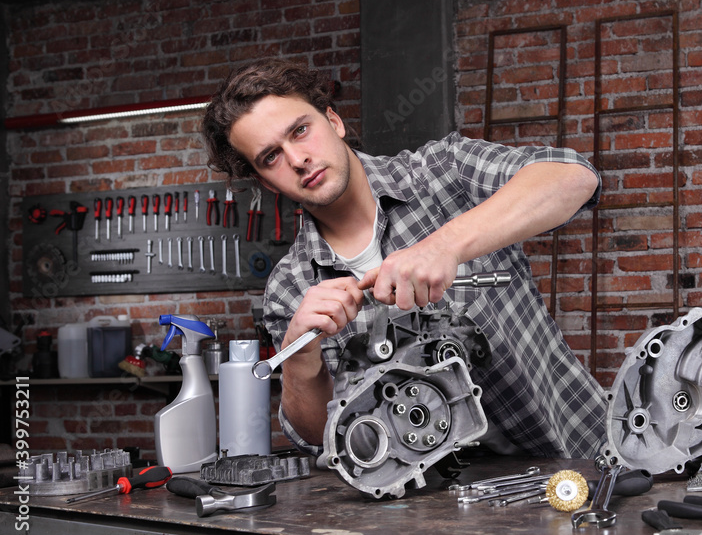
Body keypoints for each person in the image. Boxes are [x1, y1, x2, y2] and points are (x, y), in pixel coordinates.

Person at [202, 58, 606, 458]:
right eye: (271, 156)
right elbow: (319, 436)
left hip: (580, 458)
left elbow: (574, 176)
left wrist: (446, 244)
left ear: (334, 122)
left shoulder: (441, 173)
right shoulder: (290, 287)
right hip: (434, 506)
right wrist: (299, 357)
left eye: (301, 131)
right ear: (263, 180)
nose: (297, 159)